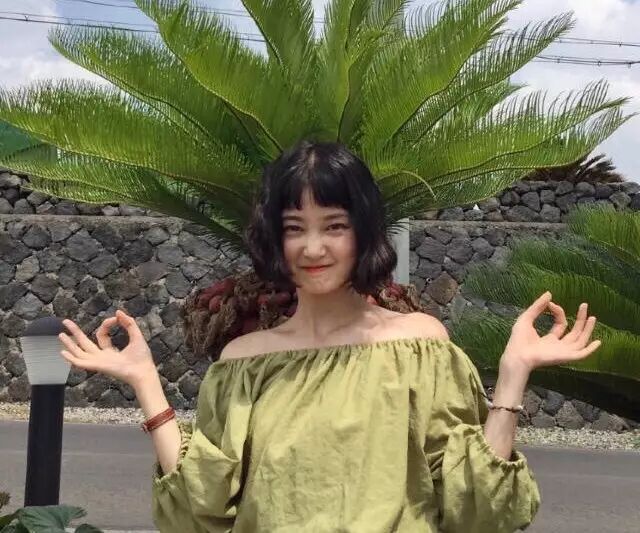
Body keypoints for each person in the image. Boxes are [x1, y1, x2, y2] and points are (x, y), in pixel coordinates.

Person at [58, 140, 601, 533]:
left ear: (363, 232)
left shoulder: (419, 346)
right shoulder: (243, 364)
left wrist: (512, 374)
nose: (313, 247)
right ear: (275, 239)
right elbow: (199, 513)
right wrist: (145, 382)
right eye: (294, 228)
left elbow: (479, 511)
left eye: (334, 226)